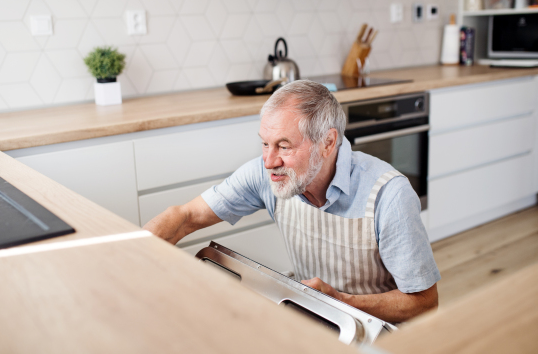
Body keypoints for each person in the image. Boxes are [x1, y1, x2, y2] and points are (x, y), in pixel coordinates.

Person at [144, 80, 440, 323]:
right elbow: (185, 216)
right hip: (309, 317)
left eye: (284, 146)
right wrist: (128, 256)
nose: (269, 161)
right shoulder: (268, 175)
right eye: (264, 143)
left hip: (376, 334)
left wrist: (341, 302)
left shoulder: (389, 196)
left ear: (327, 142)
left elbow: (424, 302)